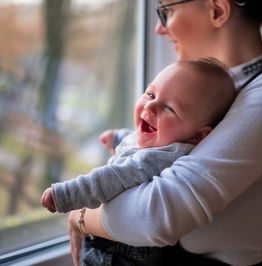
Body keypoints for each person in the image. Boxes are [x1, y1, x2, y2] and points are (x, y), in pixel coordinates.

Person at [67, 0, 262, 265]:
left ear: (217, 10)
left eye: (168, 11)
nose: (158, 29)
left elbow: (155, 217)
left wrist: (83, 215)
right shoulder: (209, 93)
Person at [41, 58, 236, 265]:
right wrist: (118, 137)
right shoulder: (166, 141)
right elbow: (138, 140)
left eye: (169, 108)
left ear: (197, 137)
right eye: (150, 94)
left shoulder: (158, 158)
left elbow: (113, 177)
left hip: (118, 254)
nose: (151, 105)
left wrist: (66, 194)